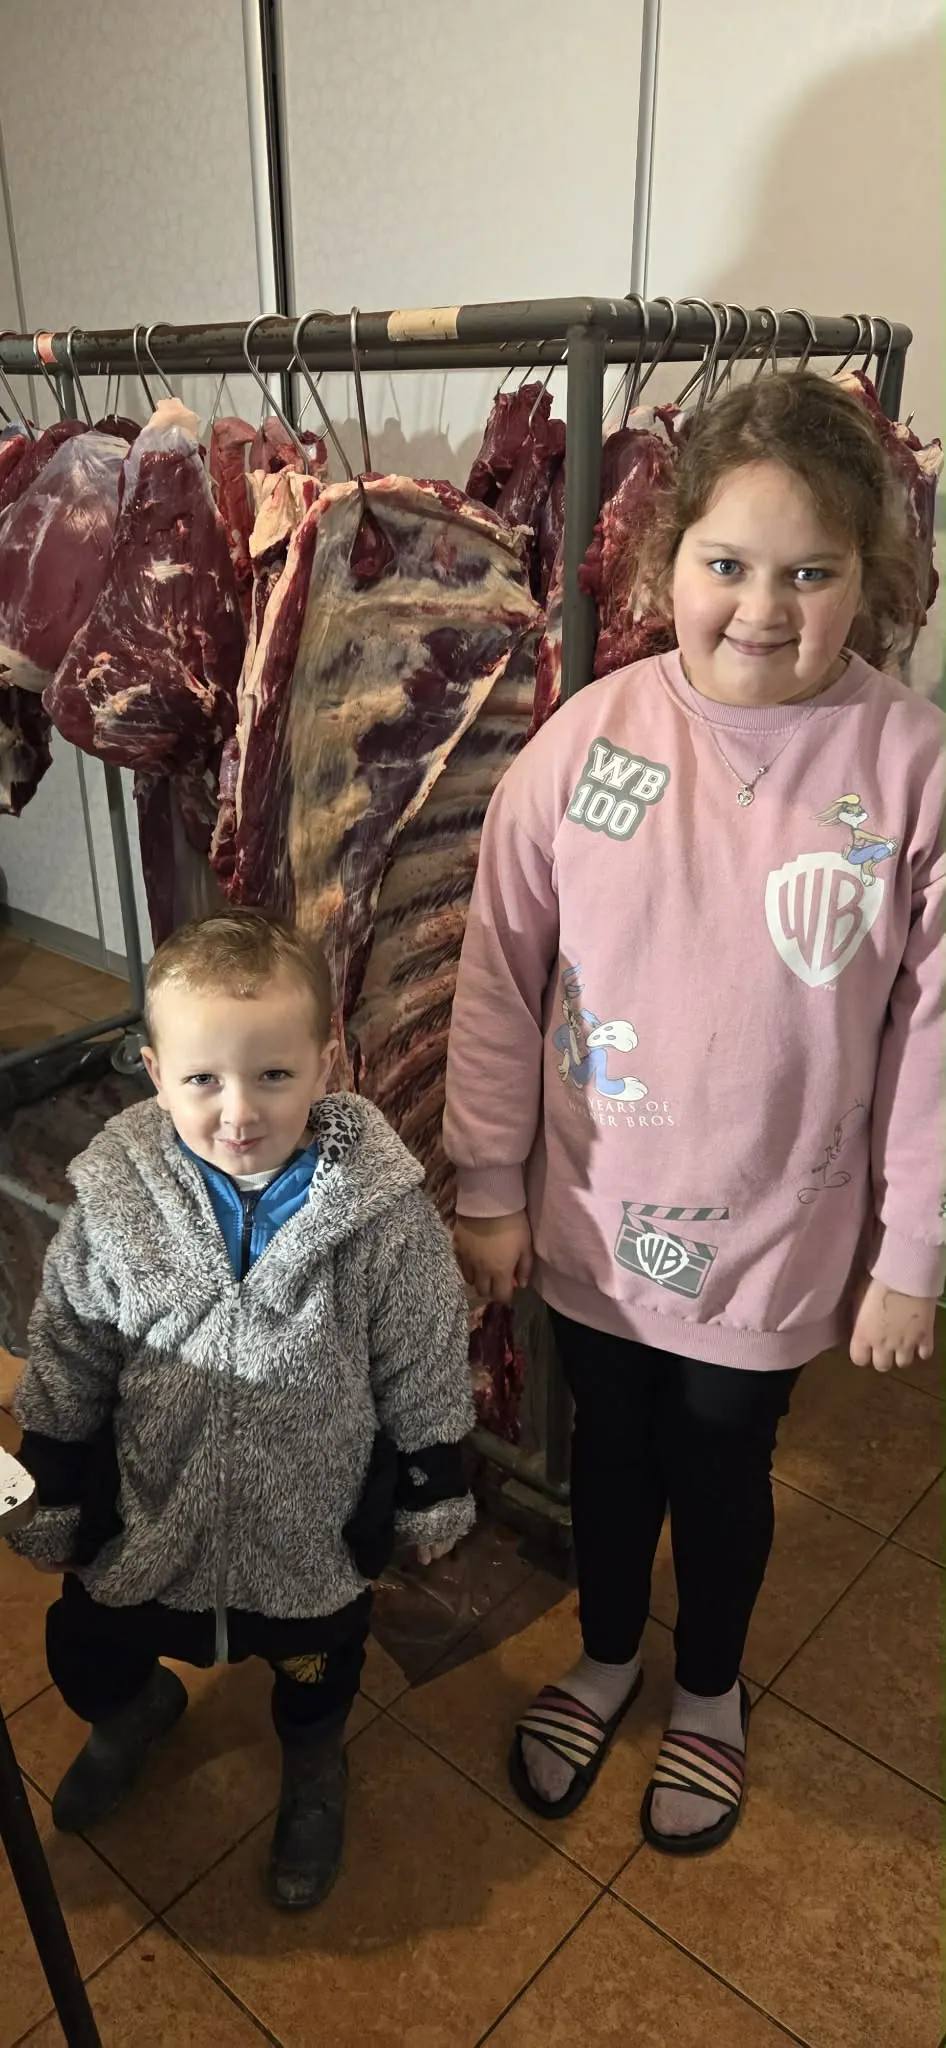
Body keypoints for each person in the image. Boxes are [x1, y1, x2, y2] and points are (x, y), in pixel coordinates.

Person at [444, 371, 944, 1856]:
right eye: (728, 563)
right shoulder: (586, 742)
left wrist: (913, 1250)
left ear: (870, 575)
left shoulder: (909, 766)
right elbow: (498, 969)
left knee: (722, 1466)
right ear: (666, 561)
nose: (764, 608)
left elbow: (936, 1030)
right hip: (595, 1216)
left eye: (811, 572)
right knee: (610, 1448)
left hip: (777, 1236)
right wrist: (486, 1180)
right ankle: (605, 1656)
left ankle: (709, 1689)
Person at [9, 909, 475, 1909]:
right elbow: (70, 1345)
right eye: (202, 1079)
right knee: (88, 1646)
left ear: (324, 1063)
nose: (238, 1112)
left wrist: (431, 1480)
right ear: (153, 1071)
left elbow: (424, 1351)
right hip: (149, 1511)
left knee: (317, 1666)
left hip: (308, 1522)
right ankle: (132, 1710)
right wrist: (52, 1476)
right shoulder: (116, 1203)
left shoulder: (381, 1215)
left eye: (271, 1074)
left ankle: (313, 1765)